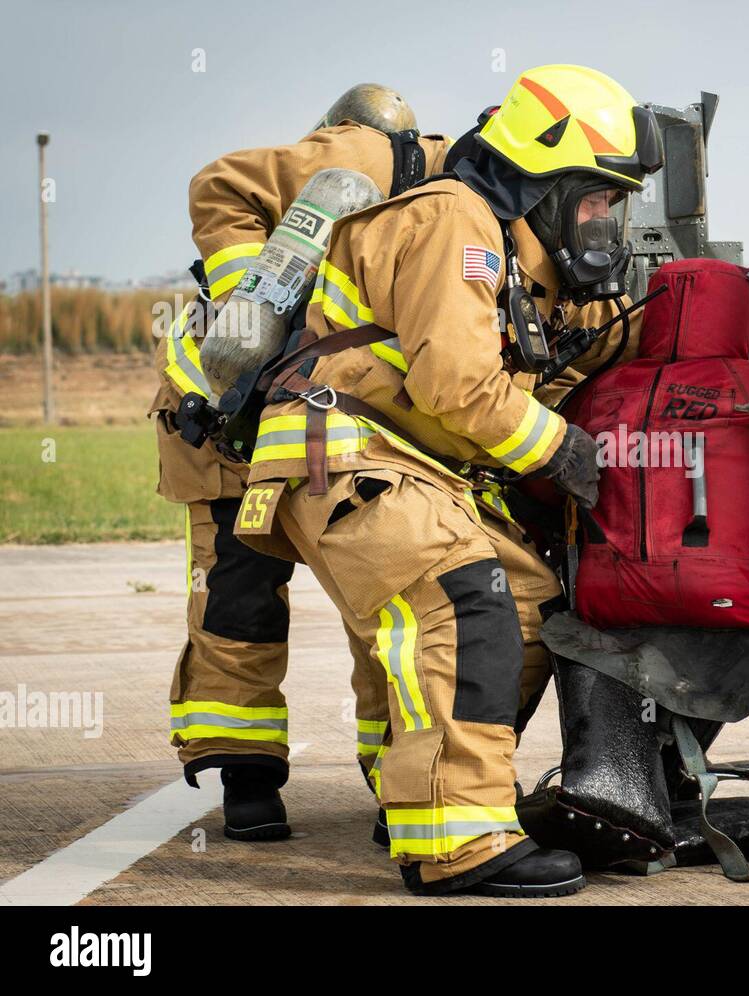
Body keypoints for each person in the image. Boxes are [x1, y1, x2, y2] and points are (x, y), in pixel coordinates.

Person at [229, 64, 662, 897]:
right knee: (464, 595)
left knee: (532, 603)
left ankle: (429, 799)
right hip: (343, 448)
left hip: (397, 459)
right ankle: (456, 844)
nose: (605, 222)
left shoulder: (510, 258)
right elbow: (457, 387)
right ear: (541, 180)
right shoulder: (453, 222)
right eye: (596, 199)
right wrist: (564, 452)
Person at [153, 84, 449, 840]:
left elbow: (219, 185)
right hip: (337, 427)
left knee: (236, 600)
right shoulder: (436, 168)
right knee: (387, 598)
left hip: (226, 428)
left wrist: (241, 303)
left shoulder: (328, 155)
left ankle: (248, 789)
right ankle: (403, 789)